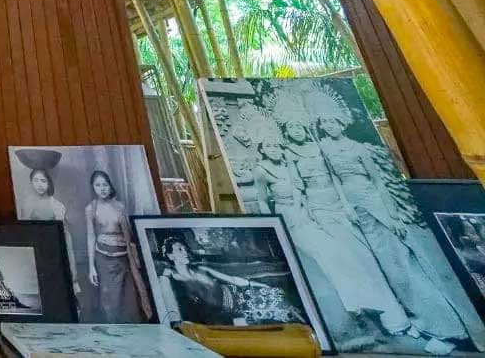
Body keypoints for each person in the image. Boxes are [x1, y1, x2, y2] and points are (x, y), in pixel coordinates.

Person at [318, 115, 478, 351]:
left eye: (333, 122)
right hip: (354, 208)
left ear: (341, 124)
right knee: (386, 269)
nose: (330, 126)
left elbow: (377, 180)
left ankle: (445, 327)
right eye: (326, 123)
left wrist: (391, 214)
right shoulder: (326, 149)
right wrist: (346, 205)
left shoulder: (359, 148)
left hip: (374, 201)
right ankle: (415, 320)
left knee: (402, 263)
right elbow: (335, 179)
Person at [155, 234, 302, 327]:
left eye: (185, 248)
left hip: (240, 294)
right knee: (271, 313)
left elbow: (233, 279)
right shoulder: (172, 278)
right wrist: (165, 275)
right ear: (170, 256)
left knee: (278, 295)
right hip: (228, 312)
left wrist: (260, 285)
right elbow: (175, 311)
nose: (186, 252)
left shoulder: (201, 268)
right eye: (179, 249)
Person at [84, 170, 151, 322]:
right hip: (104, 260)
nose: (102, 188)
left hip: (125, 258)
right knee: (110, 301)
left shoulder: (120, 206)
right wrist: (91, 267)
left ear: (110, 186)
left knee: (130, 299)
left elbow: (130, 235)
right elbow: (91, 236)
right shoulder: (90, 209)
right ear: (93, 187)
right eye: (98, 185)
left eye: (105, 184)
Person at [15, 166, 81, 295]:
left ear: (49, 183)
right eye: (36, 180)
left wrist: (72, 270)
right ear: (31, 182)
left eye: (43, 181)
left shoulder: (57, 206)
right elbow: (23, 234)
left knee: (57, 291)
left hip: (54, 253)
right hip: (35, 254)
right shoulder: (26, 205)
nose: (39, 185)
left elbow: (66, 237)